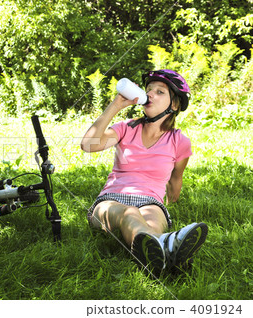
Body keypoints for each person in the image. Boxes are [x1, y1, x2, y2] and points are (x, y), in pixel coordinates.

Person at [81, 69, 208, 275]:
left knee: (151, 224)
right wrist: (116, 105)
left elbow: (176, 180)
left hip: (151, 202)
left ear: (174, 104)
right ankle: (170, 251)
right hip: (111, 200)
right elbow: (88, 145)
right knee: (129, 213)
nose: (150, 94)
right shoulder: (125, 128)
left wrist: (171, 199)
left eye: (160, 92)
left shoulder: (179, 141)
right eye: (149, 90)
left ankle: (159, 254)